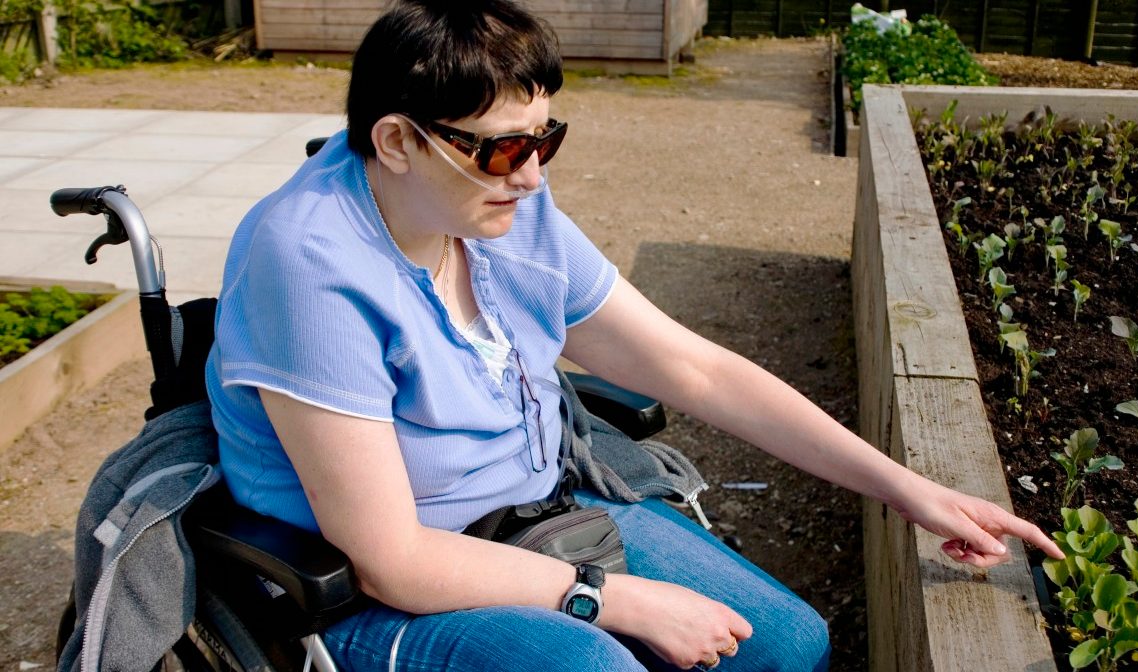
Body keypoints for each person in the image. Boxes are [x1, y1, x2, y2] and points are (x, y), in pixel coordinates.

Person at [205, 1, 1065, 670]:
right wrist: (613, 599)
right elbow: (393, 560)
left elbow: (694, 368)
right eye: (504, 151)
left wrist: (911, 490)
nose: (535, 176)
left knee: (786, 645)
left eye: (548, 139)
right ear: (397, 141)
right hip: (371, 592)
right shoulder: (309, 265)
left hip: (535, 520)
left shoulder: (500, 207)